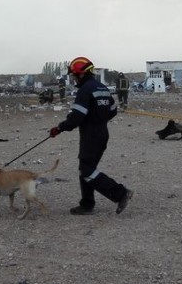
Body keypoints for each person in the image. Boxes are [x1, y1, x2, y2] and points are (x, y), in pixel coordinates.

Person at [49, 56, 133, 215]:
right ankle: (87, 204)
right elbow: (113, 110)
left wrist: (59, 128)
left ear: (81, 74)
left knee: (87, 170)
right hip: (102, 133)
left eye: (74, 75)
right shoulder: (102, 87)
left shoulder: (85, 90)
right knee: (86, 169)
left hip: (91, 136)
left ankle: (121, 193)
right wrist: (99, 119)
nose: (74, 78)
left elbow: (76, 117)